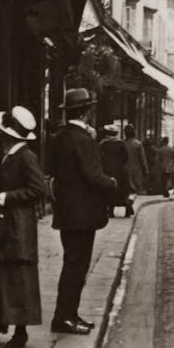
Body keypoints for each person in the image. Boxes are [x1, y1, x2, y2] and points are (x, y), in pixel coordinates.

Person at [0, 105, 45, 348]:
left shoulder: (25, 156)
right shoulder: (5, 154)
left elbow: (38, 189)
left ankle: (20, 331)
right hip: (3, 223)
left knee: (17, 276)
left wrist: (5, 197)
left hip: (18, 225)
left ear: (9, 135)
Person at [49, 87, 117, 335]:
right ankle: (65, 318)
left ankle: (67, 315)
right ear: (87, 112)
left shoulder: (59, 137)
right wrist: (112, 183)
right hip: (82, 215)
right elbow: (93, 176)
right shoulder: (83, 140)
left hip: (66, 213)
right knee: (76, 267)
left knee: (71, 264)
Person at [99, 125, 130, 217]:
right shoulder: (120, 144)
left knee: (108, 190)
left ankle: (110, 210)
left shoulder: (103, 144)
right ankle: (127, 208)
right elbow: (125, 157)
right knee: (122, 189)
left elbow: (99, 156)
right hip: (119, 170)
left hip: (106, 170)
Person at [123, 123, 148, 211]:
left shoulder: (122, 143)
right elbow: (142, 159)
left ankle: (127, 205)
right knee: (135, 190)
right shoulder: (138, 144)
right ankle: (129, 203)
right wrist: (145, 170)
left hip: (124, 170)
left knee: (126, 189)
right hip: (136, 170)